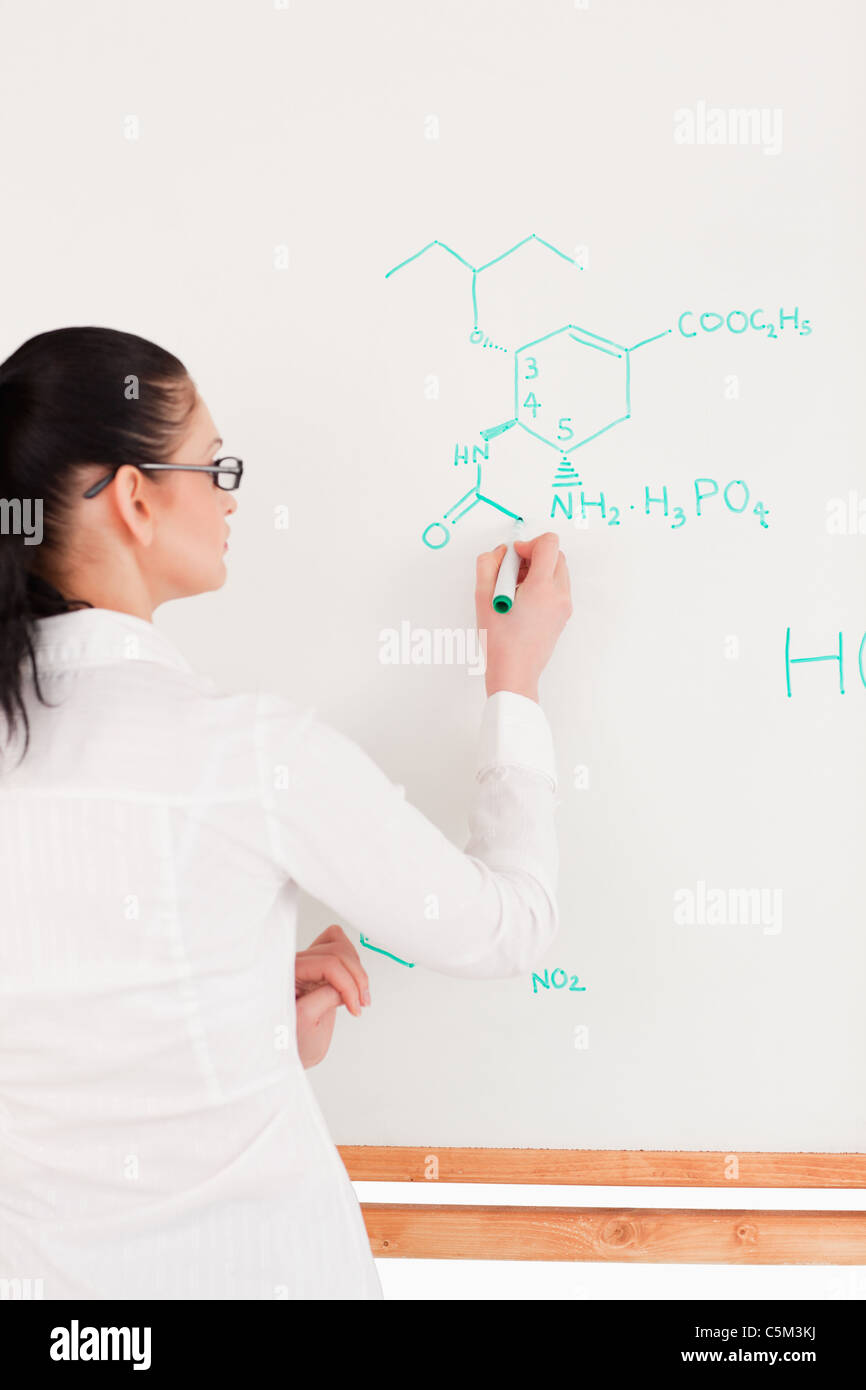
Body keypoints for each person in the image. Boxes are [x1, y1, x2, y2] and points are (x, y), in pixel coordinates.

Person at [0, 326, 572, 1300]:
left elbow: (64, 1049)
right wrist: (512, 681)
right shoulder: (245, 755)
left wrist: (245, 1007)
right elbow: (506, 927)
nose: (228, 497)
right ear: (135, 499)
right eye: (213, 466)